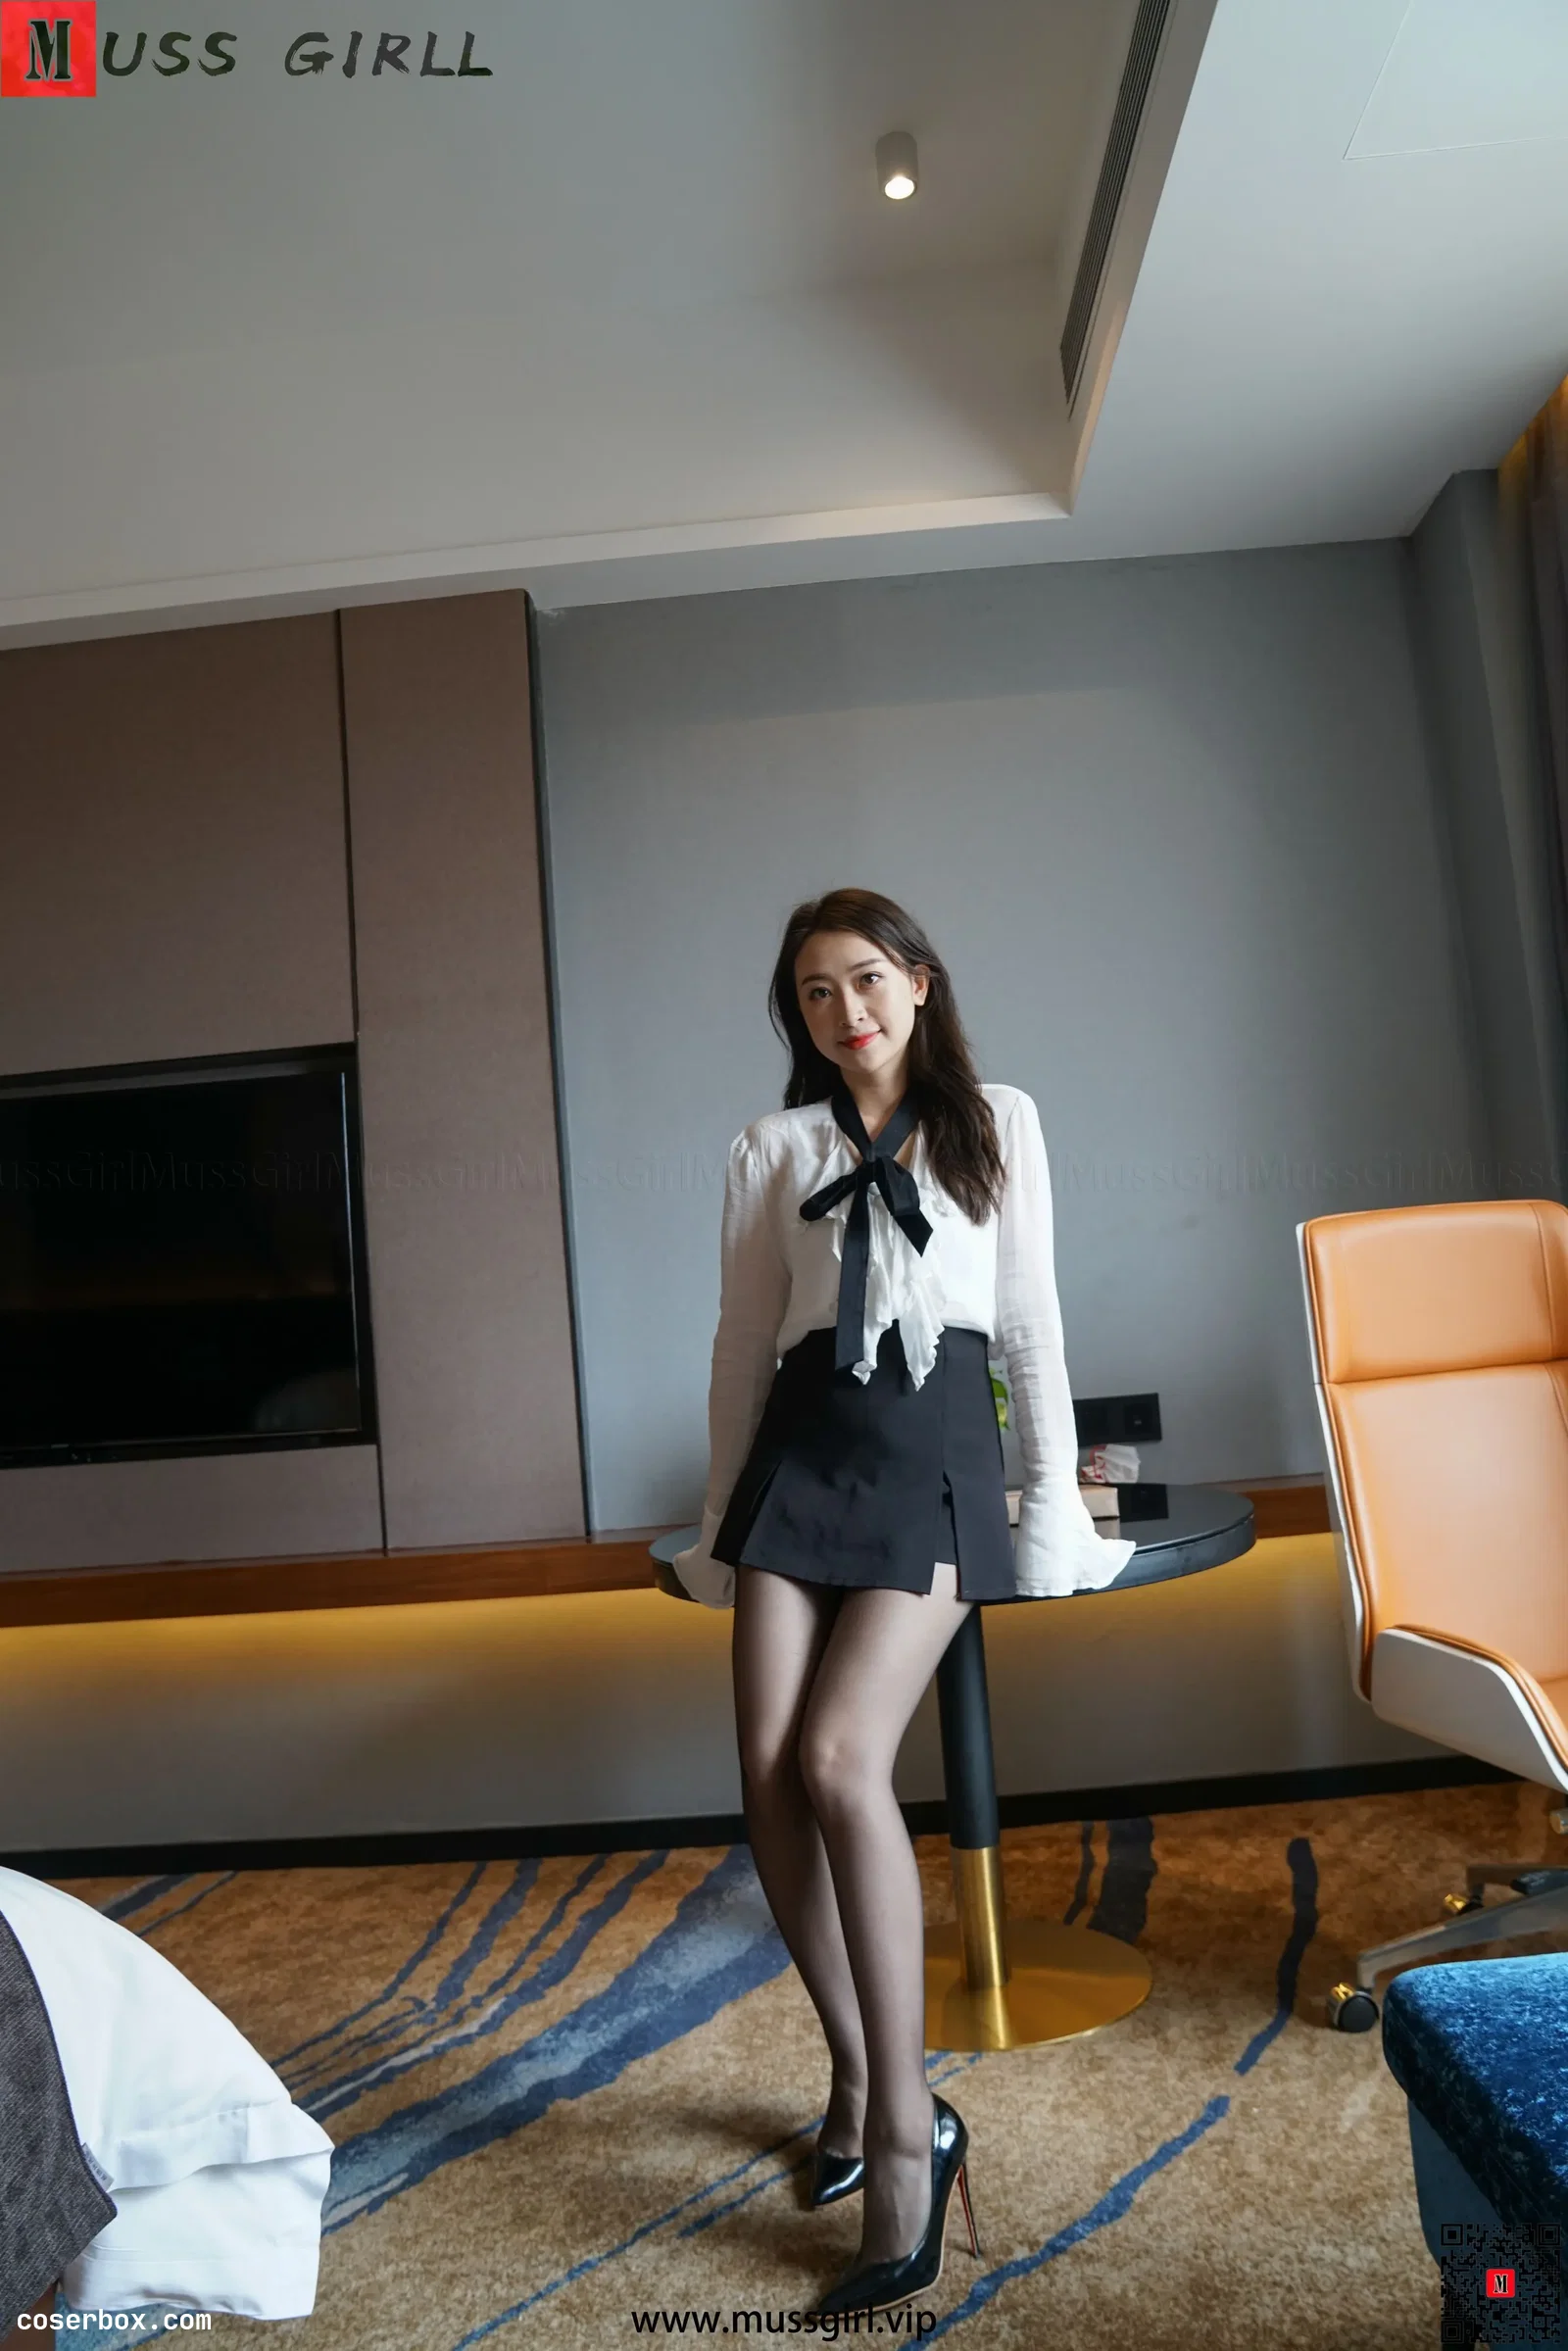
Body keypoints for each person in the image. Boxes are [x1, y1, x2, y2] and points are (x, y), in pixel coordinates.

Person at [672, 887, 1136, 2319]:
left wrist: (1052, 1504)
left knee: (838, 1759)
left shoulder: (996, 1120)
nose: (846, 1009)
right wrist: (720, 1525)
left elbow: (1033, 1324)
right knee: (767, 1775)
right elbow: (741, 1348)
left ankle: (897, 2140)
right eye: (815, 992)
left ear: (920, 982)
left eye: (866, 978)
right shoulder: (773, 1150)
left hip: (933, 1448)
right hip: (799, 1454)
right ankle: (866, 2070)